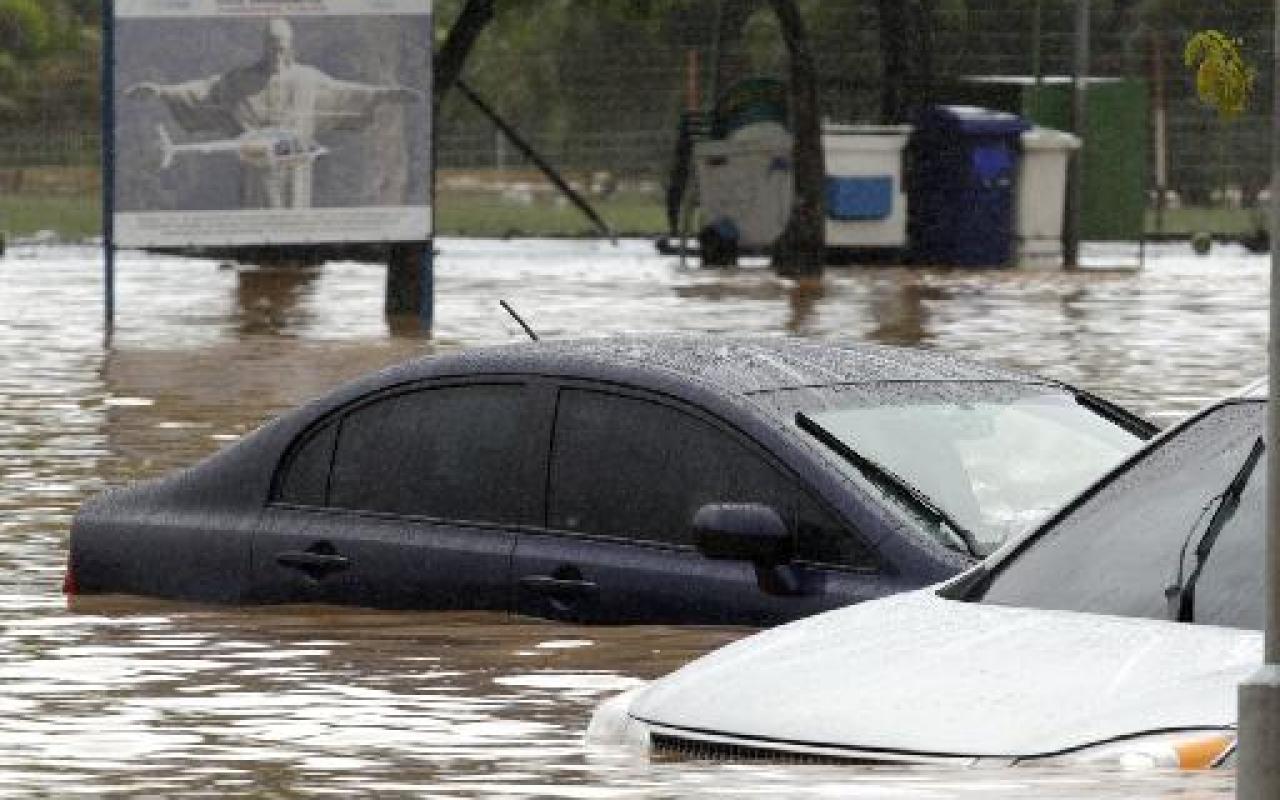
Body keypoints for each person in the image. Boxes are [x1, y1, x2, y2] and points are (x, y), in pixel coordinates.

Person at [127, 17, 422, 209]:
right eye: (271, 47)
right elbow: (204, 90)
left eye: (281, 48)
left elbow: (345, 92)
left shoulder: (308, 78)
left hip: (295, 167)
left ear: (290, 47)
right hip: (258, 168)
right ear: (263, 47)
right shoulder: (240, 80)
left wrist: (385, 94)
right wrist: (162, 91)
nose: (276, 55)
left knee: (294, 212)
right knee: (259, 209)